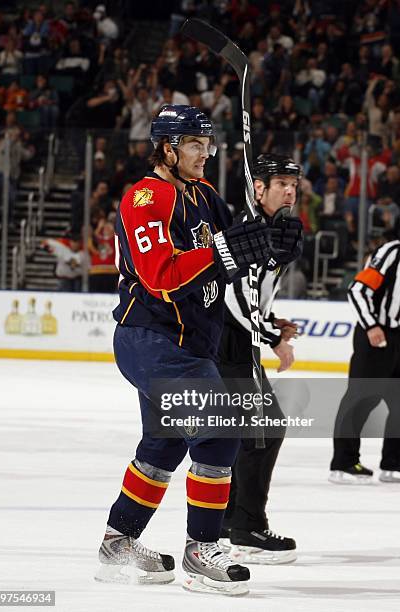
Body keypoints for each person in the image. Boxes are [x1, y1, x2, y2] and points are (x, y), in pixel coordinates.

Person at [96, 105, 302, 595]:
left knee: (163, 446)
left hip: (192, 344)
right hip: (152, 338)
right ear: (167, 148)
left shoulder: (206, 195)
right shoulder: (146, 197)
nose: (204, 153)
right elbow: (161, 275)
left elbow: (237, 255)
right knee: (219, 424)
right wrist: (229, 251)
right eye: (193, 144)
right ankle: (202, 550)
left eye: (207, 144)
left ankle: (117, 543)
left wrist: (273, 239)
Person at [218, 154, 303, 564]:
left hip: (235, 343)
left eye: (293, 183)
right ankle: (247, 527)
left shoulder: (273, 230)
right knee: (264, 430)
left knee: (245, 434)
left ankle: (227, 522)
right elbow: (233, 298)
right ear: (258, 189)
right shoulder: (247, 232)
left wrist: (271, 320)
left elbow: (251, 299)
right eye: (281, 183)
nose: (290, 190)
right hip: (229, 345)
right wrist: (272, 337)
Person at [330, 235, 400, 484]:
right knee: (361, 399)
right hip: (376, 335)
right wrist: (371, 325)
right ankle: (343, 463)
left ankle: (394, 464)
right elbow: (358, 290)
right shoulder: (393, 252)